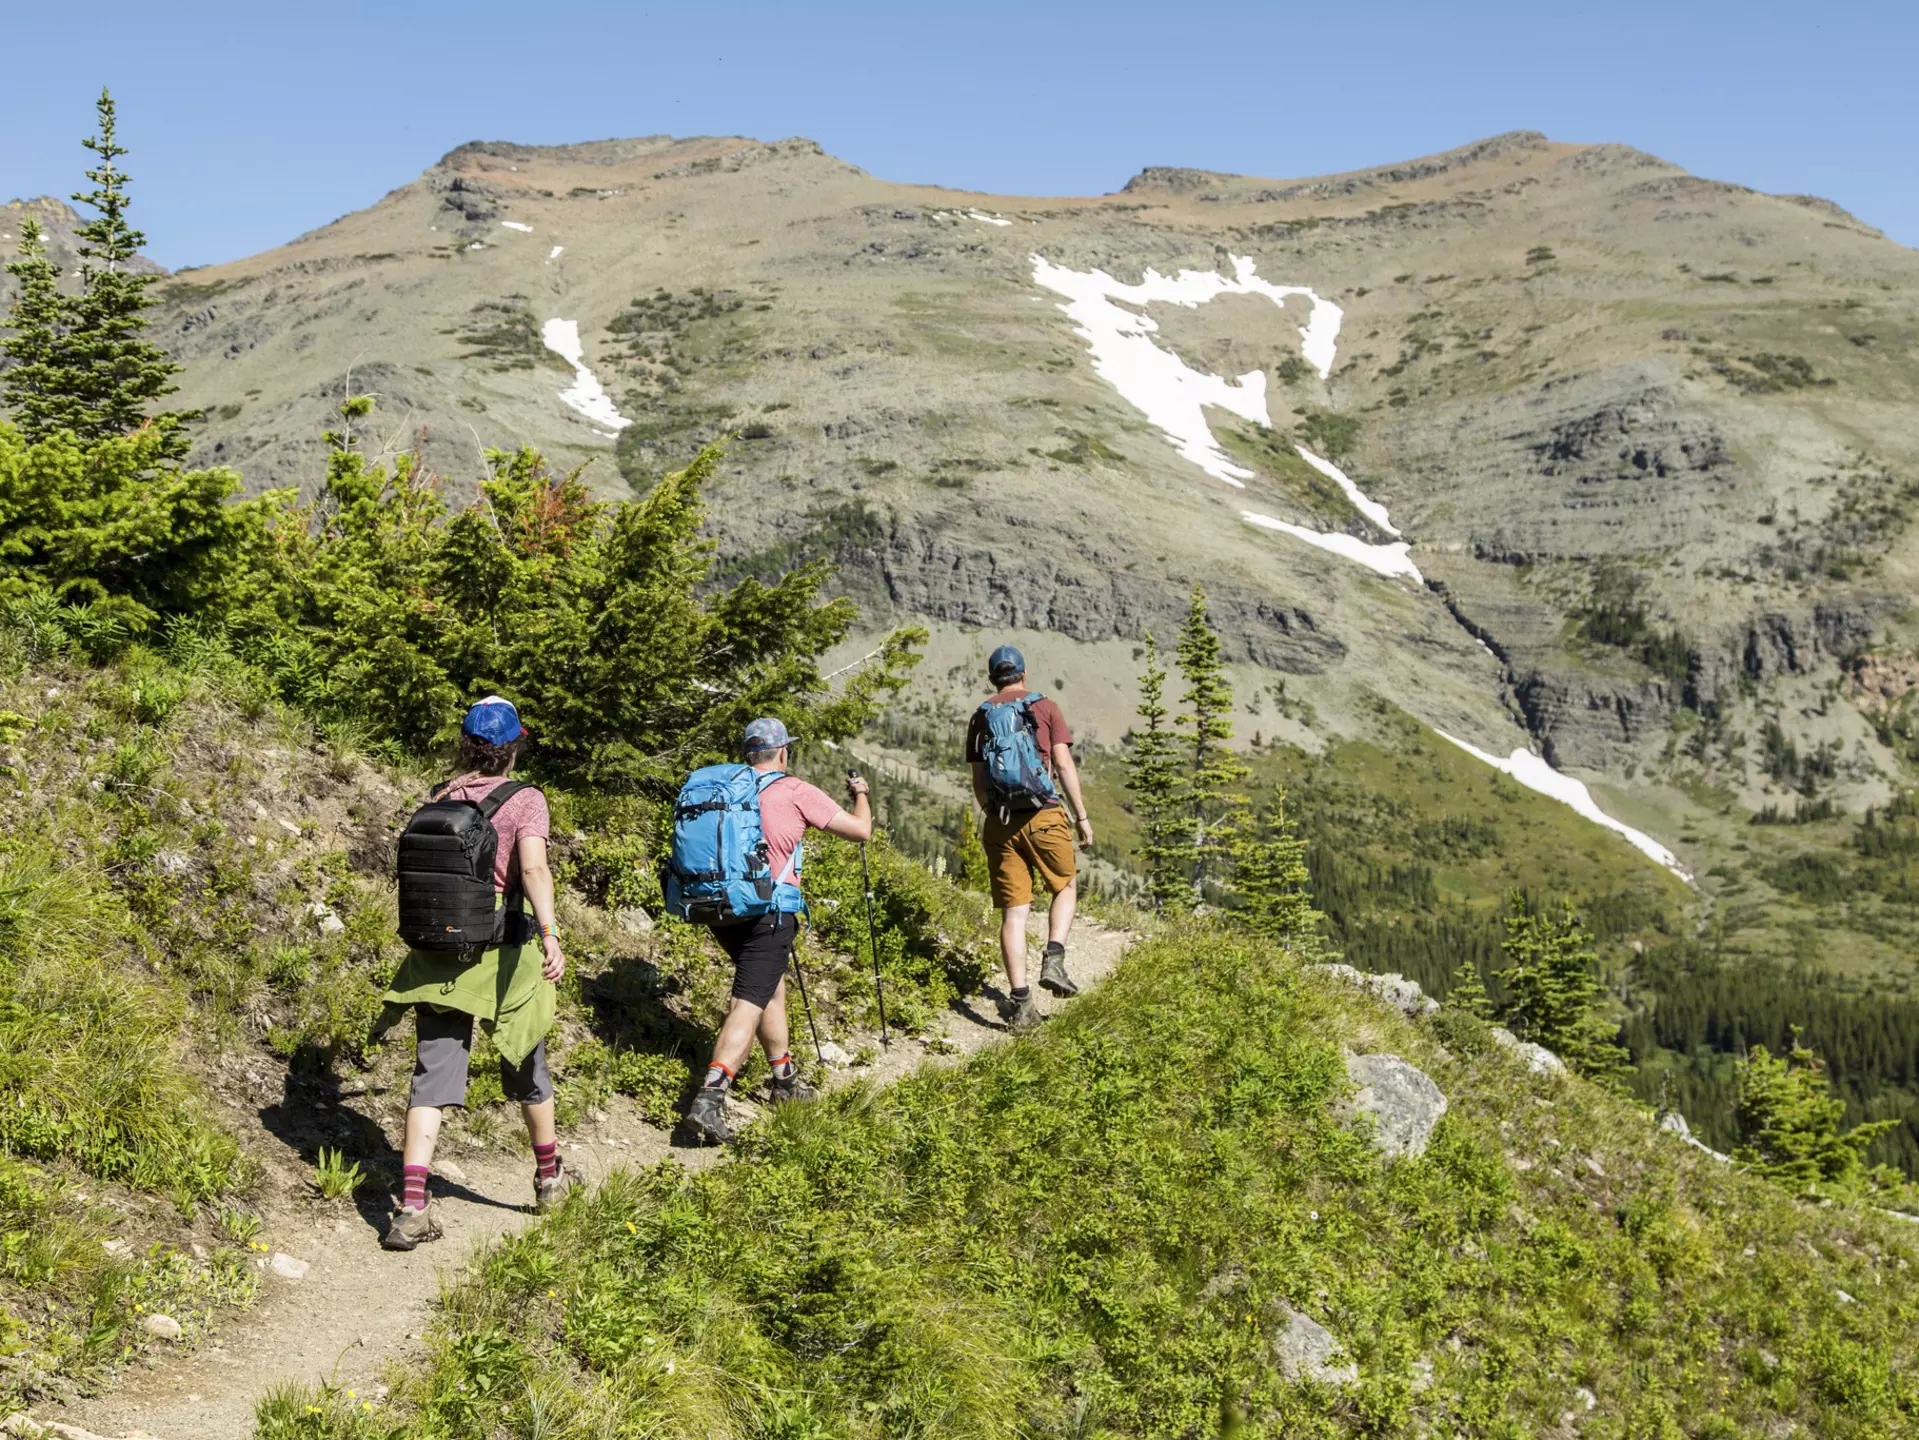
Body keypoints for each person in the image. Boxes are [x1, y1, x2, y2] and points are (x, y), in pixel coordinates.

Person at [375, 697, 578, 1251]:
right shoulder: (524, 800)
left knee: (431, 1078)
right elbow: (532, 867)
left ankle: (412, 1206)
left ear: (467, 744)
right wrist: (552, 935)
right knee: (527, 1060)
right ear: (514, 747)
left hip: (436, 956)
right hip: (502, 957)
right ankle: (549, 1178)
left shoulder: (440, 795)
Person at [683, 717, 874, 1145]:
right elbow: (860, 831)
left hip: (721, 908)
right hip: (769, 911)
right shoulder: (794, 790)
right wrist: (861, 795)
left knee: (769, 987)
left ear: (749, 754)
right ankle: (710, 1097)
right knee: (748, 1001)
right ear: (783, 752)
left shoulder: (730, 788)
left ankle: (784, 1079)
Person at [965, 644, 1094, 1031]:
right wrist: (1081, 817)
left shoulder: (982, 715)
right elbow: (1064, 763)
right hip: (1044, 813)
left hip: (1001, 821)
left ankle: (1021, 1005)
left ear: (993, 679)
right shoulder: (1045, 706)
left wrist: (993, 814)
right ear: (1023, 674)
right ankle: (1053, 958)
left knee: (1015, 913)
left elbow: (978, 780)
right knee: (1065, 886)